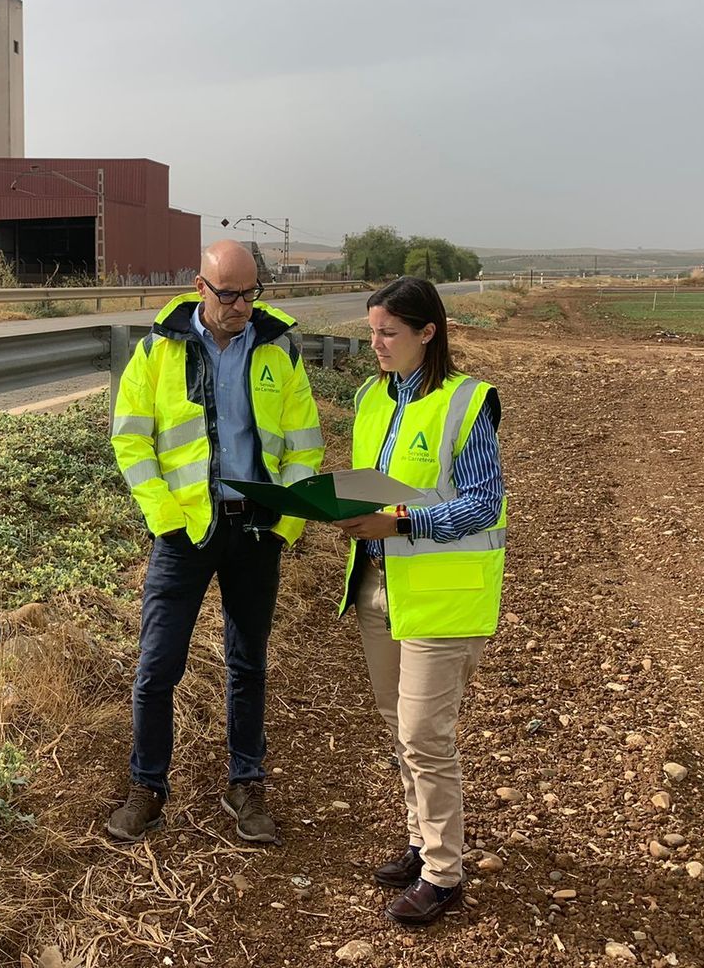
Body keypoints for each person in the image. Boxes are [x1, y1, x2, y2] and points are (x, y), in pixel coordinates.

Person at [107, 240, 324, 844]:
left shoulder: (278, 350)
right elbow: (131, 440)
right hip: (183, 533)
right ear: (198, 285)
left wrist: (288, 522)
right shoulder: (157, 351)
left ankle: (246, 785)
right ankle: (147, 788)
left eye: (250, 293)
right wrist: (164, 517)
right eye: (227, 293)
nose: (239, 306)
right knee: (157, 667)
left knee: (248, 662)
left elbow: (304, 447)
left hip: (257, 529)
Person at [331, 276, 507, 925]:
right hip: (377, 586)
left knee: (423, 736)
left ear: (427, 333)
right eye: (371, 329)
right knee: (395, 729)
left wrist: (400, 523)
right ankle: (419, 840)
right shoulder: (370, 399)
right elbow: (372, 487)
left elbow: (483, 504)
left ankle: (443, 874)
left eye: (388, 333)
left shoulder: (468, 403)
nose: (374, 343)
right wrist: (345, 511)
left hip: (442, 597)